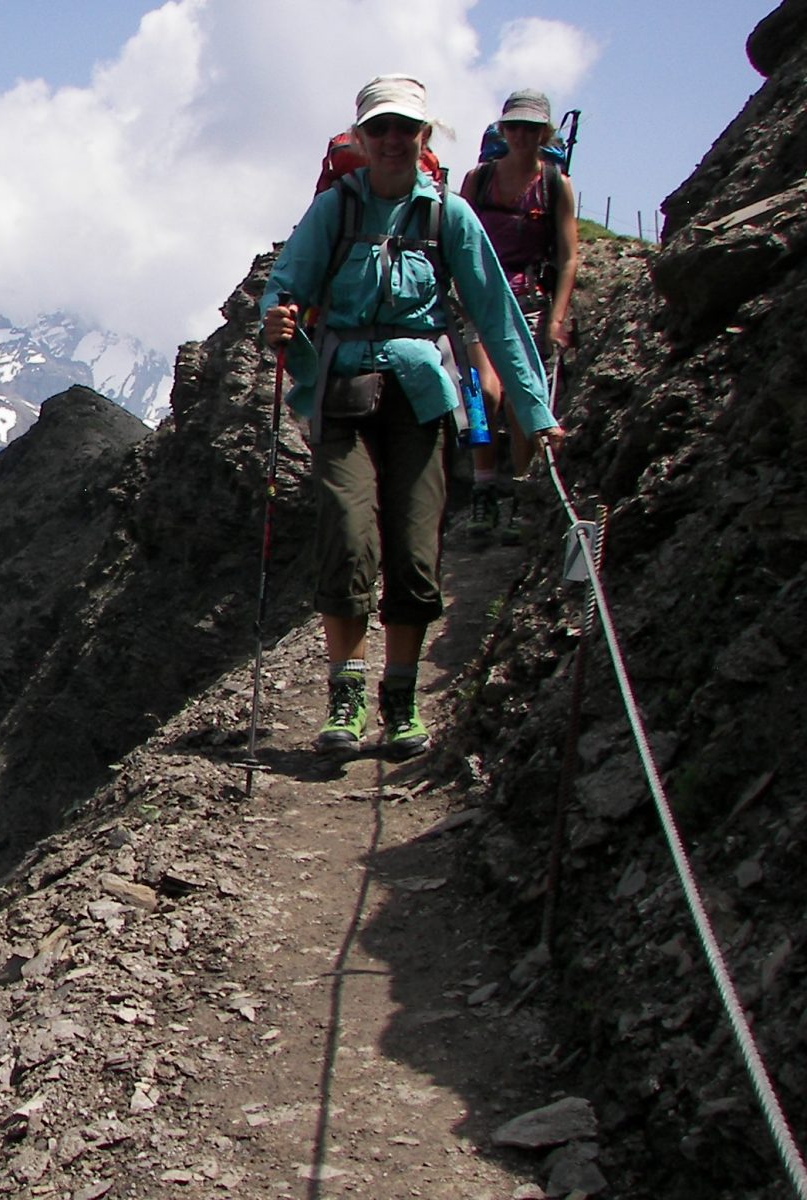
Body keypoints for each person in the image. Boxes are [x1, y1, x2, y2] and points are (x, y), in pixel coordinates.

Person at [259, 74, 564, 759]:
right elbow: (285, 288)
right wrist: (276, 321)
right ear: (362, 139)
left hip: (420, 397)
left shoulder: (448, 216)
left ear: (424, 138)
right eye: (381, 129)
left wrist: (535, 410)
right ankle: (348, 691)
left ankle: (400, 697)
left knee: (415, 548)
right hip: (344, 394)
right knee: (346, 530)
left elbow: (499, 317)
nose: (393, 140)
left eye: (407, 129)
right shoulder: (334, 212)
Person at [461, 88, 579, 542]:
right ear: (502, 130)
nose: (522, 136)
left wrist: (556, 318)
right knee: (482, 395)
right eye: (515, 127)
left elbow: (568, 256)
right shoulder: (479, 180)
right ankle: (484, 489)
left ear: (544, 133)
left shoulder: (555, 185)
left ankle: (518, 493)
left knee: (518, 399)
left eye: (532, 129)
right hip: (482, 296)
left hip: (529, 301)